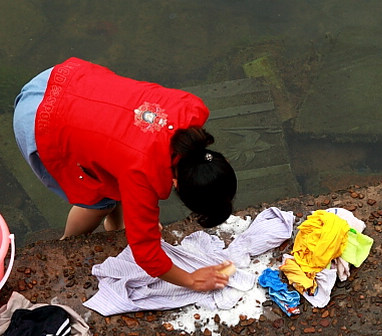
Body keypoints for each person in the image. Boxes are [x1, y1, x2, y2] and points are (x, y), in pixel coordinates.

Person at [14, 57, 237, 292]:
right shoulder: (141, 175)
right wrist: (191, 280)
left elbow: (136, 148)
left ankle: (119, 227)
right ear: (176, 184)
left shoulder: (193, 107)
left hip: (64, 79)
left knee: (115, 161)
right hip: (38, 117)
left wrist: (139, 220)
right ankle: (66, 246)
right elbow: (148, 255)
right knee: (99, 202)